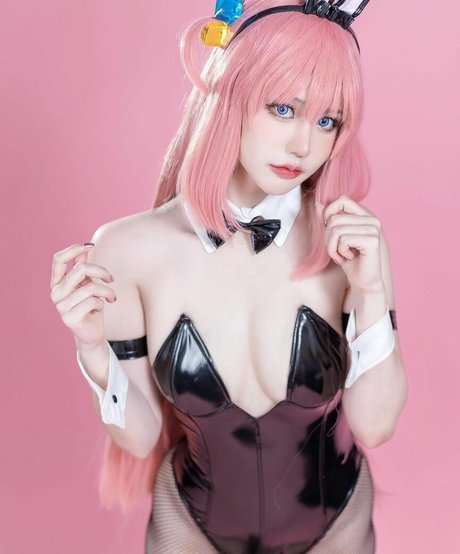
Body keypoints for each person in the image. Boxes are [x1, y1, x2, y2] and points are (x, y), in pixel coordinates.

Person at [50, 0, 408, 552]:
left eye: (327, 121)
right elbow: (140, 438)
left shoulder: (350, 243)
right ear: (230, 95)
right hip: (189, 524)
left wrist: (371, 290)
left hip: (337, 524)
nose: (303, 146)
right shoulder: (128, 250)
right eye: (283, 109)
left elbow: (376, 427)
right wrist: (93, 350)